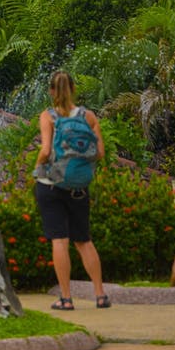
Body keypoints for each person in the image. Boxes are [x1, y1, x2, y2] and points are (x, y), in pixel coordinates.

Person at [34, 70, 111, 311]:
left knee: (59, 239)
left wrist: (37, 168)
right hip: (79, 187)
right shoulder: (88, 117)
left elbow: (46, 150)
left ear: (51, 91)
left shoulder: (48, 117)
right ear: (74, 89)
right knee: (84, 241)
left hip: (52, 185)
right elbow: (100, 153)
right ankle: (100, 295)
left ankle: (66, 299)